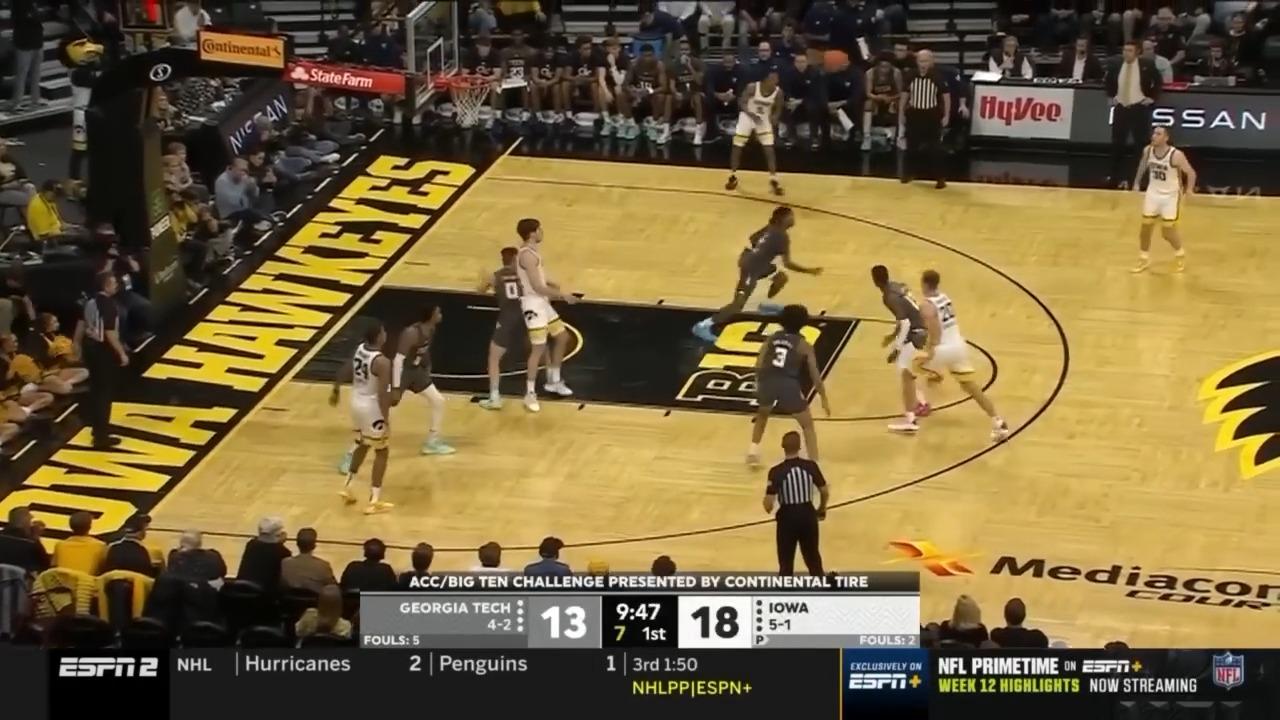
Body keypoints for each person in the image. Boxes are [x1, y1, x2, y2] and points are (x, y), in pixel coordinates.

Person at [691, 206, 820, 343]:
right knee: (738, 305)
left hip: (756, 262)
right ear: (783, 219)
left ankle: (762, 304)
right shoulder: (782, 237)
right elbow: (788, 264)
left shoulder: (770, 227)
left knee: (781, 278)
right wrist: (809, 271)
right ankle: (703, 326)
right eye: (791, 217)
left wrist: (759, 252)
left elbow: (752, 238)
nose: (793, 219)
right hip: (752, 268)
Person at [916, 269, 1011, 441]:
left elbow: (935, 332)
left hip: (943, 349)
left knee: (909, 366)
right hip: (959, 346)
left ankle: (919, 407)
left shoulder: (926, 305)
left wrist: (930, 351)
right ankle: (997, 421)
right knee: (971, 387)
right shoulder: (945, 298)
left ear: (924, 284)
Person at [746, 304, 831, 466]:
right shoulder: (804, 345)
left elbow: (759, 362)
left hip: (767, 380)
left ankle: (752, 452)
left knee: (762, 415)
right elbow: (815, 375)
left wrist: (757, 383)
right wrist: (823, 397)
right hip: (787, 384)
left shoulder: (771, 339)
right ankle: (814, 463)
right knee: (807, 425)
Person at [329, 320, 395, 514]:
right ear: (379, 336)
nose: (386, 334)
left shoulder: (360, 349)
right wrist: (386, 418)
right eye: (383, 331)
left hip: (356, 402)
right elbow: (382, 394)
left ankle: (347, 486)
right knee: (382, 451)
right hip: (372, 407)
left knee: (362, 443)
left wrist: (336, 388)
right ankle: (374, 500)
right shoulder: (382, 362)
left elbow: (346, 368)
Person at [514, 218, 578, 413]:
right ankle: (530, 394)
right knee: (538, 349)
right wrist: (562, 295)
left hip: (541, 302)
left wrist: (550, 282)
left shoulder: (531, 252)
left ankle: (554, 381)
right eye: (539, 229)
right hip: (533, 305)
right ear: (532, 233)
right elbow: (536, 286)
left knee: (562, 337)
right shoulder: (527, 256)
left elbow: (537, 278)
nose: (542, 232)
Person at [872, 265, 932, 433]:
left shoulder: (889, 297)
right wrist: (893, 336)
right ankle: (921, 403)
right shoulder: (898, 286)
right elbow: (908, 312)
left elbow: (905, 322)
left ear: (875, 281)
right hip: (921, 327)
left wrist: (896, 348)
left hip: (916, 332)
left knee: (904, 371)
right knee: (906, 369)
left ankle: (911, 419)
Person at [75, 271, 127, 449]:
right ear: (106, 285)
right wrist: (121, 353)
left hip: (90, 349)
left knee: (96, 390)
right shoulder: (108, 304)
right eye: (113, 283)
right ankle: (101, 437)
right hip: (102, 351)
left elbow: (81, 323)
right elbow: (110, 333)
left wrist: (77, 344)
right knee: (104, 394)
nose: (116, 285)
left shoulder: (89, 301)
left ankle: (97, 429)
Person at [391, 306, 454, 455]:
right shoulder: (411, 333)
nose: (441, 315)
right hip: (402, 372)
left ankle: (432, 442)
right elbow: (398, 360)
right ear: (431, 316)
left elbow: (424, 351)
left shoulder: (431, 329)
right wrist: (395, 387)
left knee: (438, 401)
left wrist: (427, 367)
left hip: (416, 372)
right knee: (385, 406)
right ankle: (360, 441)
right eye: (438, 312)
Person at [764, 430, 828, 576]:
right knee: (813, 559)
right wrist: (821, 508)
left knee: (786, 563)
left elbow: (768, 505)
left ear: (782, 446)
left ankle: (786, 589)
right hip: (808, 515)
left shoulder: (776, 472)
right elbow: (824, 491)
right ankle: (822, 587)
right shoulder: (811, 466)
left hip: (787, 518)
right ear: (800, 446)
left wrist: (767, 504)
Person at [1131, 126, 1193, 274]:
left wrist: (1189, 189)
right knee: (1145, 228)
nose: (1154, 136)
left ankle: (1180, 254)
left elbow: (1191, 173)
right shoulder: (1148, 150)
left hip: (1170, 196)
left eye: (1158, 134)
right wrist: (1137, 182)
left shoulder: (1176, 155)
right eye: (1153, 133)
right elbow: (1142, 166)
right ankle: (1143, 258)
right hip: (1153, 193)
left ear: (1166, 138)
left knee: (1167, 232)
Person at [1105, 41, 1161, 185]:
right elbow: (1108, 81)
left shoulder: (1146, 65)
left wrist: (1152, 97)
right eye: (1124, 50)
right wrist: (1111, 96)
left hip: (1139, 107)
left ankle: (1138, 178)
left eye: (1130, 51)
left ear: (1137, 52)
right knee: (1117, 143)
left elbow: (1158, 81)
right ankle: (1114, 176)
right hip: (1121, 107)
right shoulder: (1116, 65)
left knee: (1140, 144)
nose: (1126, 53)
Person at [478, 247, 525, 410]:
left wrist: (483, 278)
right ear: (515, 260)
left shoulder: (495, 276)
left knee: (494, 358)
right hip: (526, 318)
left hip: (507, 320)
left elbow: (480, 290)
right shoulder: (523, 275)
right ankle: (539, 389)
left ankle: (494, 397)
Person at [726, 69, 784, 196]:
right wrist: (751, 114)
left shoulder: (778, 92)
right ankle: (732, 175)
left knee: (769, 149)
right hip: (747, 117)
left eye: (777, 78)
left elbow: (779, 108)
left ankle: (774, 179)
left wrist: (775, 117)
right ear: (765, 79)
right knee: (737, 146)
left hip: (763, 119)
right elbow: (741, 102)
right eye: (773, 78)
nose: (776, 81)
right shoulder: (753, 87)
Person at [898, 49, 949, 189]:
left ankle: (940, 178)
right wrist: (901, 113)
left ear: (931, 62)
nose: (923, 64)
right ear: (917, 62)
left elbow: (946, 97)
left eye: (926, 61)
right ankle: (908, 174)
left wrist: (946, 115)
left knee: (935, 148)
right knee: (911, 146)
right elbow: (904, 95)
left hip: (932, 115)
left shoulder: (937, 77)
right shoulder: (910, 75)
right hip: (914, 114)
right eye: (921, 61)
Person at [623, 43, 669, 143]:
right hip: (637, 94)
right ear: (640, 55)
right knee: (622, 94)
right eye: (644, 56)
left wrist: (649, 91)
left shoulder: (659, 65)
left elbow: (664, 87)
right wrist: (633, 91)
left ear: (654, 55)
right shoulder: (633, 64)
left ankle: (653, 126)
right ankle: (632, 125)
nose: (647, 59)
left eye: (649, 56)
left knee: (660, 96)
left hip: (651, 94)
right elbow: (625, 84)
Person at [667, 38, 707, 145]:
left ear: (690, 51)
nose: (684, 52)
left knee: (697, 98)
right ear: (678, 51)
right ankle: (667, 128)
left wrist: (689, 66)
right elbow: (671, 85)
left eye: (686, 50)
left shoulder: (698, 63)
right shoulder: (673, 65)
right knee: (669, 98)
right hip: (681, 94)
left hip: (695, 93)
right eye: (682, 50)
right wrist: (675, 93)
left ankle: (698, 131)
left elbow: (699, 82)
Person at [780, 52, 822, 150]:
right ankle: (791, 137)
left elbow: (816, 93)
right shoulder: (789, 73)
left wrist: (800, 101)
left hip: (809, 100)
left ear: (807, 62)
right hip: (794, 101)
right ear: (794, 63)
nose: (800, 64)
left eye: (803, 61)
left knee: (813, 108)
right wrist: (790, 99)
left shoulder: (815, 73)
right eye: (798, 62)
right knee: (787, 108)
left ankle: (814, 137)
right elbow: (785, 89)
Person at [861, 51, 901, 151]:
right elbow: (868, 93)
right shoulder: (870, 73)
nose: (884, 70)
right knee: (868, 104)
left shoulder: (896, 73)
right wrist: (878, 97)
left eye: (887, 67)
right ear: (877, 66)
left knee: (898, 105)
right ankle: (866, 136)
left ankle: (897, 136)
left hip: (892, 98)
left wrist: (891, 98)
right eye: (882, 67)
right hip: (876, 99)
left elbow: (901, 93)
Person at [495, 28, 538, 121]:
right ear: (511, 37)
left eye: (519, 35)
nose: (517, 37)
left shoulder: (531, 51)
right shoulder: (505, 51)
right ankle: (499, 114)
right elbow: (503, 67)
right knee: (499, 85)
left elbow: (534, 68)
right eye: (515, 35)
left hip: (525, 77)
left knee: (527, 85)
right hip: (510, 78)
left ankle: (527, 112)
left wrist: (529, 76)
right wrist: (505, 74)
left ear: (523, 36)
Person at [237, 517, 291, 589]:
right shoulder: (283, 552)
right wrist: (280, 543)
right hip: (263, 592)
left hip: (240, 589)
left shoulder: (250, 545)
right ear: (279, 535)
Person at [560, 34, 603, 125]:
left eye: (590, 48)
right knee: (565, 84)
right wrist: (575, 79)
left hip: (590, 82)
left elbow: (597, 76)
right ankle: (568, 114)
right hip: (575, 82)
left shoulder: (596, 56)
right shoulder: (572, 56)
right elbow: (566, 75)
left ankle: (596, 114)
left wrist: (585, 80)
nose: (588, 51)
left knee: (595, 85)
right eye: (585, 49)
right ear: (579, 50)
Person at [281, 527, 337, 594]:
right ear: (314, 546)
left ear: (297, 544)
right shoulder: (323, 565)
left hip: (290, 600)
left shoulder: (285, 563)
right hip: (315, 600)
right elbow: (333, 586)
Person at [598, 37, 634, 138]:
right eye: (610, 49)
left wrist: (613, 65)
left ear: (619, 48)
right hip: (610, 84)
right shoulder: (603, 58)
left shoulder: (624, 59)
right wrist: (606, 92)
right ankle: (607, 121)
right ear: (607, 49)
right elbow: (601, 78)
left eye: (615, 48)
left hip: (623, 85)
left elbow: (620, 81)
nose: (613, 51)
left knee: (618, 89)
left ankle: (621, 120)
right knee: (601, 89)